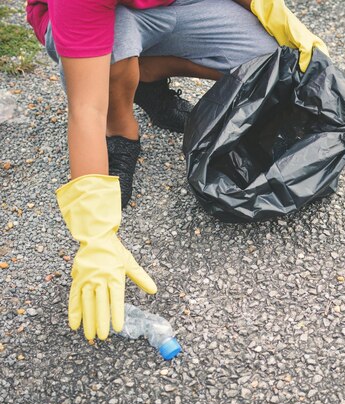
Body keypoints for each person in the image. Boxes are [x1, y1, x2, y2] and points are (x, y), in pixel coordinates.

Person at [25, 0, 328, 342]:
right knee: (111, 57)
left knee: (269, 61)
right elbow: (86, 109)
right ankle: (121, 130)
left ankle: (142, 79)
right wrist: (95, 235)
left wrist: (287, 25)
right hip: (101, 22)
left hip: (179, 6)